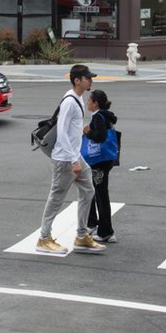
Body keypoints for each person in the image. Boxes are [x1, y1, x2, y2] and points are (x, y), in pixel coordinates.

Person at [36, 64, 106, 255]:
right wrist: (74, 160)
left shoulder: (79, 98)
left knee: (88, 190)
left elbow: (72, 129)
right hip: (65, 159)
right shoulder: (69, 101)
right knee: (56, 198)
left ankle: (82, 235)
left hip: (75, 156)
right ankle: (44, 238)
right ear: (77, 80)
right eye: (87, 78)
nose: (91, 80)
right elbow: (62, 132)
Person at [84, 89, 120, 243]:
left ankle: (106, 231)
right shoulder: (105, 115)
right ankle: (92, 223)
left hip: (99, 162)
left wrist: (87, 132)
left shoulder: (98, 116)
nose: (87, 103)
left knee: (100, 195)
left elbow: (100, 136)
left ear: (96, 103)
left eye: (89, 100)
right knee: (94, 191)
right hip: (106, 160)